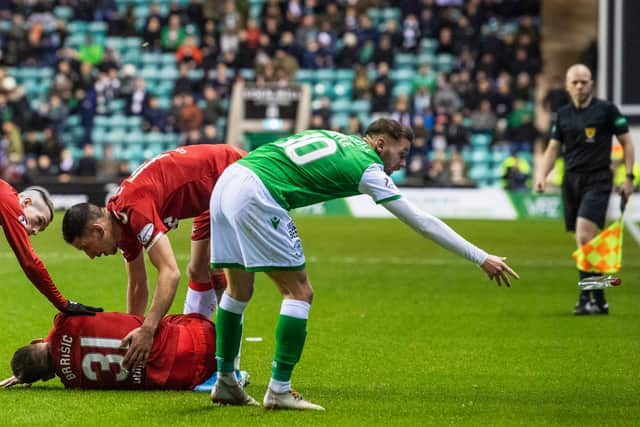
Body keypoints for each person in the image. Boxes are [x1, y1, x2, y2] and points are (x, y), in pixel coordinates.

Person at [208, 118, 519, 410]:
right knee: (299, 292)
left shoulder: (342, 140)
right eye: (402, 153)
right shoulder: (368, 166)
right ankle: (279, 390)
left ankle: (225, 381)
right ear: (381, 144)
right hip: (257, 192)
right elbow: (422, 222)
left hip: (229, 181)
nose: (403, 163)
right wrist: (481, 257)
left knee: (238, 290)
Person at [61, 144, 244, 371]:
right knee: (198, 270)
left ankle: (230, 368)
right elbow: (138, 284)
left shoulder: (134, 208)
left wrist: (148, 330)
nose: (90, 256)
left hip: (231, 174)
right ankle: (200, 355)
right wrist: (128, 337)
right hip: (211, 192)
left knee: (218, 270)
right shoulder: (121, 224)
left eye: (85, 247)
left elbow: (170, 273)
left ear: (98, 231)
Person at [535, 64, 635, 315]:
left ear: (591, 84)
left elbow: (627, 143)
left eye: (584, 82)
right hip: (572, 181)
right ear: (568, 86)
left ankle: (584, 298)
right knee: (584, 243)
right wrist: (541, 175)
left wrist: (629, 177)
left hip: (598, 180)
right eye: (575, 82)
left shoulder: (607, 111)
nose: (580, 86)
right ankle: (599, 297)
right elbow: (553, 149)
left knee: (583, 235)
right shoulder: (564, 115)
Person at [1, 311, 216, 390]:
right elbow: (58, 334)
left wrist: (29, 373)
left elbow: (56, 359)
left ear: (48, 377)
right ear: (36, 340)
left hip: (187, 376)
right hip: (200, 336)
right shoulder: (65, 321)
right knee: (169, 319)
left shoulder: (73, 383)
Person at [0, 181, 101, 315]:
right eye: (39, 221)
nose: (35, 231)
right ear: (26, 203)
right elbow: (29, 262)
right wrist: (63, 304)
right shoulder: (9, 200)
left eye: (40, 229)